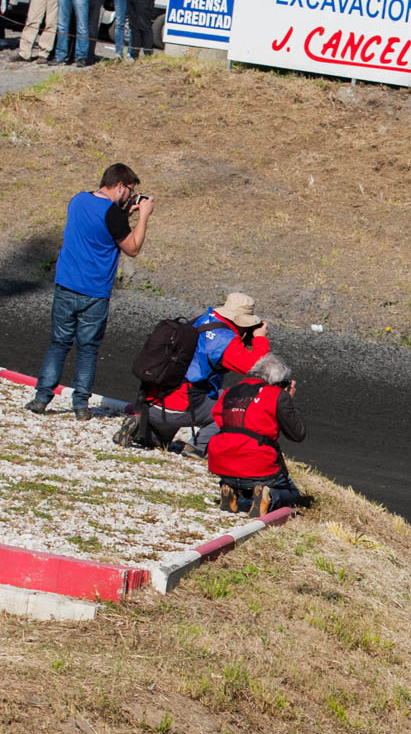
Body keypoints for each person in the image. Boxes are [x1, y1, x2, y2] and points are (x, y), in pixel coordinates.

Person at [25, 164, 151, 420]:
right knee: (88, 349)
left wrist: (124, 213)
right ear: (120, 186)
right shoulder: (113, 215)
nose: (131, 195)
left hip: (66, 284)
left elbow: (100, 225)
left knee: (58, 343)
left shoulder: (78, 200)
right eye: (130, 190)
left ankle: (41, 398)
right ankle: (81, 405)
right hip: (94, 292)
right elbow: (133, 248)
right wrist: (144, 215)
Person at [137, 294, 271, 454]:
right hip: (180, 408)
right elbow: (257, 369)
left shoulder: (201, 320)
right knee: (239, 403)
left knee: (156, 444)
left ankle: (142, 428)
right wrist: (260, 339)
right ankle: (197, 447)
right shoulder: (225, 339)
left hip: (152, 400)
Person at [208, 353, 306, 517]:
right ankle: (269, 496)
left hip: (222, 463)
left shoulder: (229, 392)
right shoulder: (277, 395)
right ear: (277, 381)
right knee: (292, 493)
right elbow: (298, 434)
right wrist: (289, 400)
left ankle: (230, 489)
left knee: (246, 487)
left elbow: (218, 419)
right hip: (258, 464)